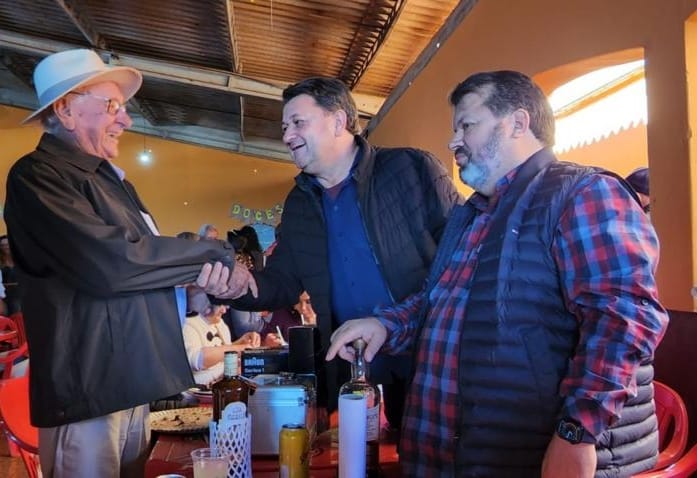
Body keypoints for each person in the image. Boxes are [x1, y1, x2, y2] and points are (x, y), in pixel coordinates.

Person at [326, 70, 669, 477]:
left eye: (467, 125)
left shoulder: (583, 193)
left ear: (518, 123)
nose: (454, 141)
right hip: (454, 457)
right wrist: (386, 325)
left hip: (530, 457)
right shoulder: (471, 215)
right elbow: (438, 305)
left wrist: (576, 432)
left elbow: (623, 320)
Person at [4, 48, 241, 478]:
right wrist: (214, 255)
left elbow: (142, 263)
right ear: (65, 110)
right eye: (112, 105)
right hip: (89, 390)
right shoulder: (39, 176)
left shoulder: (111, 181)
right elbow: (114, 263)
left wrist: (199, 277)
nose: (126, 120)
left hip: (132, 383)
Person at [198, 76, 461, 431]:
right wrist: (236, 286)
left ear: (338, 121)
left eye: (298, 122)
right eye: (284, 127)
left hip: (432, 361)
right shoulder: (299, 203)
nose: (287, 136)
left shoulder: (410, 169)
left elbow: (460, 259)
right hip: (355, 372)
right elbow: (282, 282)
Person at [183, 286, 261, 386]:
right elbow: (197, 360)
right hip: (199, 389)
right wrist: (240, 349)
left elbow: (221, 354)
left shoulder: (220, 323)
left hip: (224, 384)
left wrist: (241, 342)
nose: (224, 310)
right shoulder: (188, 323)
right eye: (220, 304)